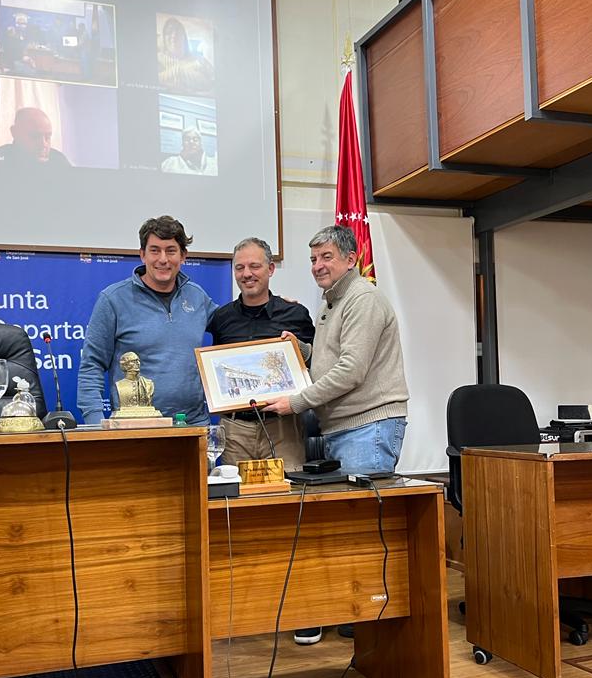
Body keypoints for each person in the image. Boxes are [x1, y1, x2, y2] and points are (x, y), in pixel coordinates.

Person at [262, 224, 409, 643]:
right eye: (312, 259)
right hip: (346, 427)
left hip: (369, 426)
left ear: (350, 258)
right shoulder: (333, 302)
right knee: (350, 529)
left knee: (364, 530)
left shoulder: (361, 299)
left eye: (326, 257)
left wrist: (297, 401)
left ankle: (376, 630)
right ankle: (358, 618)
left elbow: (353, 370)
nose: (317, 266)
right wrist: (303, 351)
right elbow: (335, 360)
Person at [78, 215, 217, 426]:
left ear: (183, 256)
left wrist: (280, 308)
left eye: (171, 250)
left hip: (194, 425)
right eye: (154, 250)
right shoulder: (113, 299)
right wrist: (97, 424)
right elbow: (92, 365)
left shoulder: (197, 296)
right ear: (142, 255)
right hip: (137, 426)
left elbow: (234, 324)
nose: (163, 259)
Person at [208, 237, 314, 473]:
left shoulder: (295, 314)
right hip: (235, 430)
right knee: (235, 501)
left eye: (254, 266)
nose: (247, 274)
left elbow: (315, 364)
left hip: (283, 428)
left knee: (288, 497)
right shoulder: (220, 318)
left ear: (271, 269)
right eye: (240, 267)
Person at [0, 107, 71, 166]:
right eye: (35, 136)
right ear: (15, 133)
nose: (44, 144)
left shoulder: (59, 161)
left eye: (48, 137)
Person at [157, 16, 214, 95]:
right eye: (169, 32)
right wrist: (179, 72)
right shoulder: (158, 59)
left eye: (178, 31)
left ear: (184, 37)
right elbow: (154, 80)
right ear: (163, 38)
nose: (174, 36)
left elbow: (214, 83)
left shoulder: (200, 60)